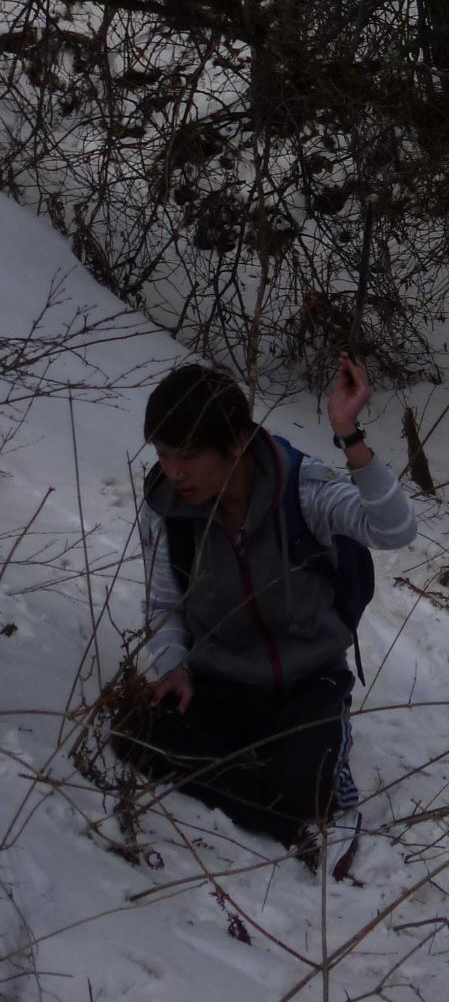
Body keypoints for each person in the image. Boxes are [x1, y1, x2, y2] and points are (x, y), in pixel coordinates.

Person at [112, 357, 416, 860]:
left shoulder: (303, 488)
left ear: (235, 444)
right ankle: (278, 811)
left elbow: (394, 529)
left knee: (306, 789)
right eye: (164, 455)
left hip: (306, 680)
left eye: (189, 456)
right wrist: (173, 669)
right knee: (136, 734)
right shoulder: (168, 506)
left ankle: (286, 786)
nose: (175, 472)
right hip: (219, 679)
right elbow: (165, 602)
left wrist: (349, 435)